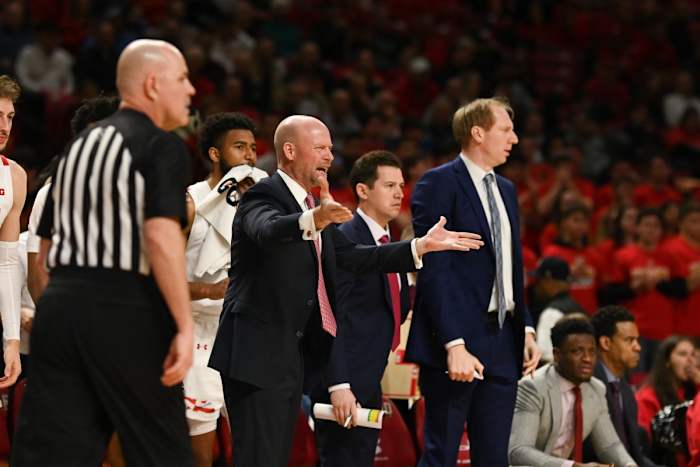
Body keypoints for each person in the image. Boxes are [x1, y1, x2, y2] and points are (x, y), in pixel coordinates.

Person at [208, 114, 483, 467]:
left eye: (331, 149)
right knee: (259, 457)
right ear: (289, 151)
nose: (329, 157)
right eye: (320, 148)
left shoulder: (310, 204)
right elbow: (267, 229)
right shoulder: (265, 193)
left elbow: (352, 256)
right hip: (255, 353)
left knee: (274, 456)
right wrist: (314, 220)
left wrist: (419, 248)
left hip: (289, 355)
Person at [11, 39, 196, 466]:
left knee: (52, 454)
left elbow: (44, 248)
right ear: (152, 84)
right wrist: (183, 326)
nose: (190, 91)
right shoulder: (159, 143)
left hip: (58, 311)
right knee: (164, 451)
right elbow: (161, 237)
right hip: (124, 308)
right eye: (182, 78)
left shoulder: (80, 146)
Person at [404, 96, 540, 466]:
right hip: (459, 339)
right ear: (478, 133)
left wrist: (525, 326)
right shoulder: (438, 183)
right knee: (441, 454)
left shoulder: (507, 189)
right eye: (506, 130)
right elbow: (435, 273)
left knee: (494, 457)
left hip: (504, 337)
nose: (514, 139)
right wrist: (453, 343)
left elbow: (511, 266)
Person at [311, 150, 411, 466]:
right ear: (363, 191)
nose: (399, 193)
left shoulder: (386, 240)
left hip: (370, 376)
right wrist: (339, 384)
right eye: (389, 185)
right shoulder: (346, 238)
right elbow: (329, 317)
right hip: (343, 382)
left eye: (401, 185)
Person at [183, 111, 267, 467]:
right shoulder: (189, 201)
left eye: (252, 148)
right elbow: (157, 279)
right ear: (215, 154)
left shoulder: (263, 204)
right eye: (239, 147)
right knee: (200, 455)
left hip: (245, 334)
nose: (249, 155)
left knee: (253, 445)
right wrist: (208, 290)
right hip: (197, 336)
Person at [508, 318, 637, 467]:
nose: (587, 359)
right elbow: (518, 451)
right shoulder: (533, 387)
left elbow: (609, 446)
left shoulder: (596, 389)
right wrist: (572, 466)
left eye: (592, 351)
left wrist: (629, 465)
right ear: (557, 355)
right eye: (577, 351)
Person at [587, 306, 660, 467]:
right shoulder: (587, 384)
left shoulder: (625, 390)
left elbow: (634, 454)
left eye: (637, 340)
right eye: (629, 340)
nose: (638, 347)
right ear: (606, 342)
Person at [0, 74, 25, 389]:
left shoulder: (15, 176)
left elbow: (6, 264)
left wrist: (12, 340)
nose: (4, 126)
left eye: (10, 117)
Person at [532, 256, 586, 362]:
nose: (537, 287)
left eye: (539, 281)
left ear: (549, 281)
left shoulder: (551, 313)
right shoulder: (577, 308)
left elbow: (545, 358)